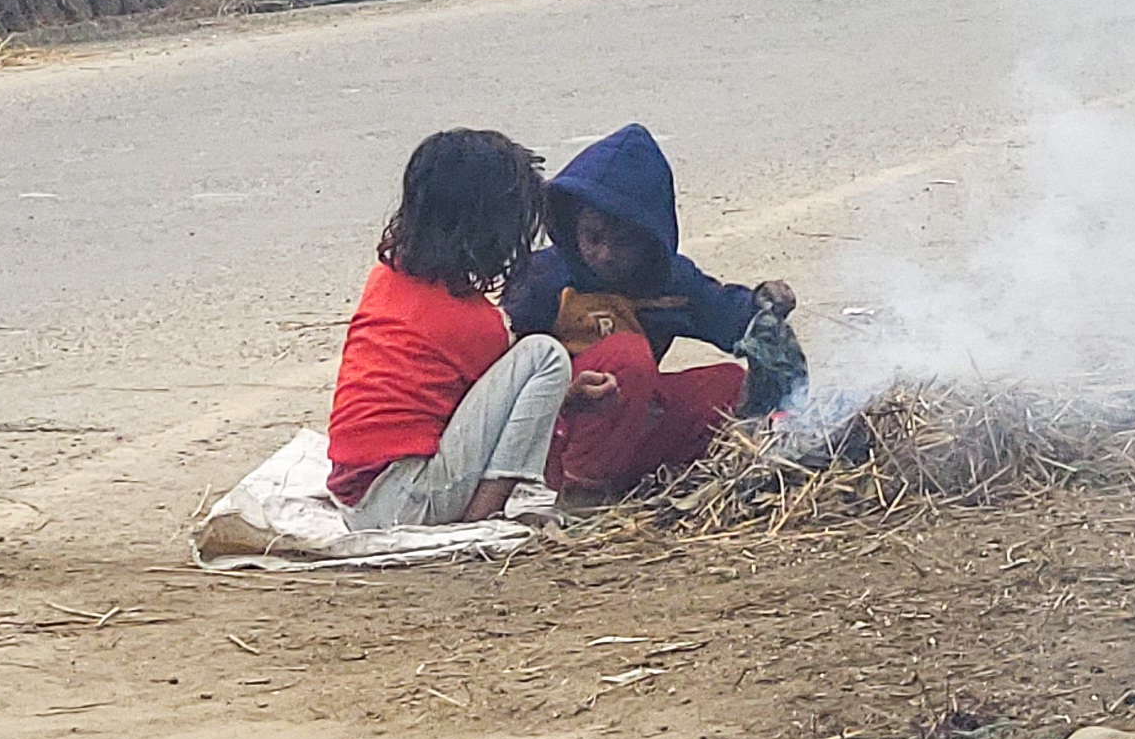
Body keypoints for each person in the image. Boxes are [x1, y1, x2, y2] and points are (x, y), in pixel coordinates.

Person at [498, 124, 804, 498]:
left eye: (622, 241)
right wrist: (563, 395)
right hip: (556, 435)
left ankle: (629, 475)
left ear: (649, 238)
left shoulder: (670, 281)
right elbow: (507, 372)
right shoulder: (544, 279)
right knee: (627, 357)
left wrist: (763, 306)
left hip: (630, 424)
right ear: (572, 229)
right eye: (593, 238)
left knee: (729, 385)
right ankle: (583, 492)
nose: (605, 254)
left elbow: (727, 316)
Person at [325, 129, 575, 528]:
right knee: (544, 356)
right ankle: (486, 516)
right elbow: (512, 411)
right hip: (405, 501)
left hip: (357, 498)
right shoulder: (475, 324)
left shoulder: (385, 280)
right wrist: (569, 395)